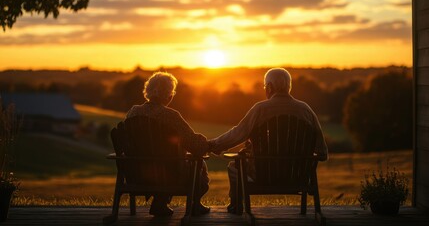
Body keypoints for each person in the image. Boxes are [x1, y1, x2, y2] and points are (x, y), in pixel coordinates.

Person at [208, 68, 328, 213]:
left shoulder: (260, 109)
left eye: (265, 87)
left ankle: (237, 206)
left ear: (269, 87)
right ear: (289, 87)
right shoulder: (306, 110)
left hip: (263, 176)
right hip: (297, 177)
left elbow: (237, 134)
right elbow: (322, 153)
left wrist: (213, 145)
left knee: (234, 166)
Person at [126, 72, 210, 217]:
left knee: (164, 164)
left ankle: (160, 203)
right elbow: (194, 144)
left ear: (147, 92)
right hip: (170, 176)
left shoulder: (133, 113)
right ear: (169, 96)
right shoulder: (171, 116)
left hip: (138, 173)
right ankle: (194, 204)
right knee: (199, 165)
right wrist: (210, 145)